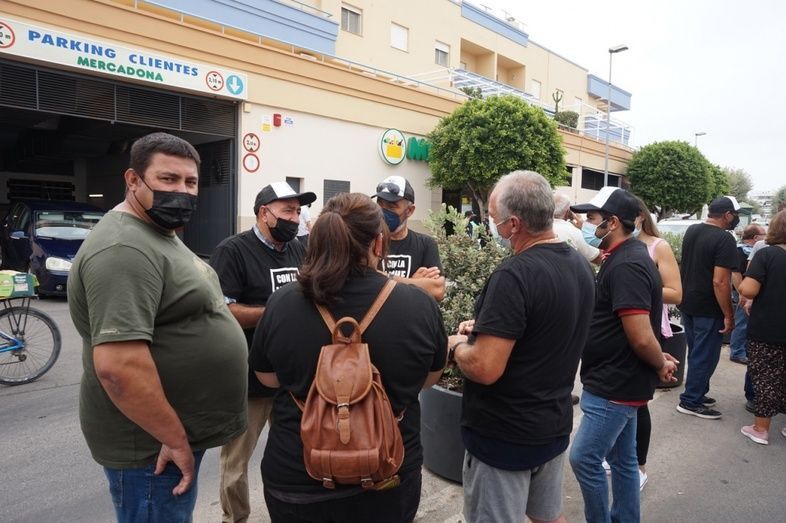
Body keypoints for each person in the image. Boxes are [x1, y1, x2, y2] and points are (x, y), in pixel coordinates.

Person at [68, 132, 248, 522]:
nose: (182, 191)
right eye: (168, 179)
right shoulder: (123, 249)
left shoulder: (157, 231)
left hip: (167, 436)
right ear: (133, 180)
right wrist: (174, 439)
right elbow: (120, 368)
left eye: (190, 182)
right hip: (152, 447)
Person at [249, 192, 447, 523]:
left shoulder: (282, 303)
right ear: (379, 243)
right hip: (387, 475)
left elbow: (267, 378)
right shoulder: (418, 305)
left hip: (298, 478)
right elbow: (430, 379)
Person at [447, 171, 595, 523]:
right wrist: (488, 328)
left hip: (505, 437)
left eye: (493, 219)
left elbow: (485, 367)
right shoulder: (579, 266)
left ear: (513, 224)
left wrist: (456, 347)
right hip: (552, 425)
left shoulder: (514, 276)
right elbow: (546, 328)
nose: (492, 226)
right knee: (548, 517)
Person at [568, 186, 677, 523]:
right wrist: (659, 359)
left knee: (584, 458)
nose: (587, 224)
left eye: (593, 218)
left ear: (613, 222)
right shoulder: (624, 257)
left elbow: (641, 336)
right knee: (623, 460)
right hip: (618, 381)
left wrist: (659, 361)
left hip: (614, 385)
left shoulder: (627, 264)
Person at [210, 181, 316, 523]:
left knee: (297, 453)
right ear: (263, 213)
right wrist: (276, 313)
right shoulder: (233, 251)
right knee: (236, 462)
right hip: (249, 378)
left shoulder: (298, 250)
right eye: (287, 211)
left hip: (292, 377)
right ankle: (235, 518)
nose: (294, 219)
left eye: (297, 212)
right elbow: (224, 311)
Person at [630, 198, 683, 490]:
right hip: (619, 329)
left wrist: (635, 288)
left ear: (639, 216)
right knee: (617, 401)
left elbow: (675, 293)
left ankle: (639, 466)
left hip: (648, 329)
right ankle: (619, 457)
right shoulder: (617, 245)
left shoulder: (657, 246)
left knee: (638, 401)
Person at [677, 195, 741, 419]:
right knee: (705, 356)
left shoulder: (693, 230)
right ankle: (691, 400)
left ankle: (697, 391)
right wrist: (728, 314)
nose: (736, 219)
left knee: (697, 352)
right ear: (727, 215)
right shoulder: (725, 239)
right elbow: (720, 281)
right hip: (708, 307)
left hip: (688, 302)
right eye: (735, 215)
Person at [738, 209, 786, 445]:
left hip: (767, 329)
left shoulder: (767, 255)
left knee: (766, 377)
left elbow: (748, 290)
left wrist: (742, 287)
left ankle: (760, 429)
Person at [374, 175, 445, 301]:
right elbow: (366, 284)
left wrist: (381, 277)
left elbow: (438, 291)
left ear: (410, 210)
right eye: (379, 204)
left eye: (391, 206)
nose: (383, 211)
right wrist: (413, 282)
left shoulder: (425, 244)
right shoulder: (370, 241)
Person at [729, 223, 766, 365]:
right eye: (763, 235)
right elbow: (736, 274)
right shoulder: (740, 251)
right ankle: (737, 352)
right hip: (744, 293)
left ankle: (741, 349)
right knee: (742, 322)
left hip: (747, 292)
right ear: (756, 237)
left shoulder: (747, 250)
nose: (766, 237)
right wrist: (742, 294)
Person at [552, 192, 602, 265]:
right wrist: (584, 230)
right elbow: (598, 258)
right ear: (568, 212)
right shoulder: (575, 232)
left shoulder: (538, 227)